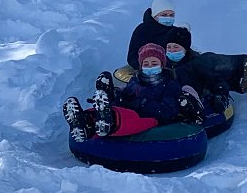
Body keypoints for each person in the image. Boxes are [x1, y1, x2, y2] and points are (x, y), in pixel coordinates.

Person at [62, 43, 202, 142]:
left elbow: (167, 111)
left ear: (162, 65)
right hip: (129, 111)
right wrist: (116, 96)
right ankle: (85, 122)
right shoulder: (136, 81)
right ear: (140, 67)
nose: (150, 67)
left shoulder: (170, 85)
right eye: (146, 64)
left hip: (151, 119)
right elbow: (126, 96)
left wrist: (140, 104)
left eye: (154, 63)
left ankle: (108, 122)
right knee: (115, 108)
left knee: (129, 117)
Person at [127, 0, 247, 94]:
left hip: (176, 63)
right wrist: (147, 66)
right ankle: (237, 81)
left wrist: (194, 56)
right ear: (155, 15)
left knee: (206, 60)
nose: (168, 18)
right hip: (159, 68)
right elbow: (132, 56)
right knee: (200, 71)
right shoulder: (143, 30)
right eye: (164, 14)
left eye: (171, 15)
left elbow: (183, 47)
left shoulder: (173, 30)